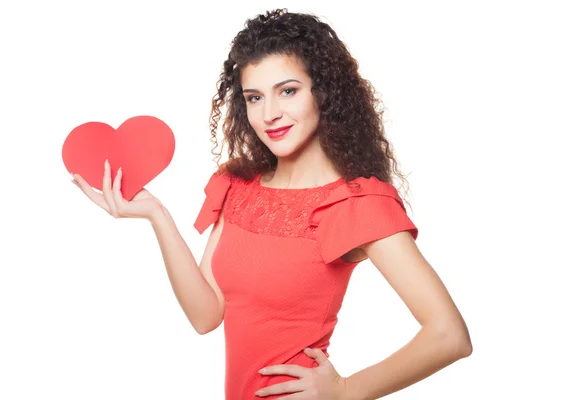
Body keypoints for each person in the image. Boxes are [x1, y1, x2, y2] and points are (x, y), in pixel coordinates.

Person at [71, 8, 472, 400]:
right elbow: (205, 315)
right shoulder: (238, 184)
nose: (270, 114)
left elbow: (449, 335)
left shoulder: (355, 204)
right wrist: (156, 214)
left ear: (324, 92)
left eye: (288, 91)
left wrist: (348, 390)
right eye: (254, 97)